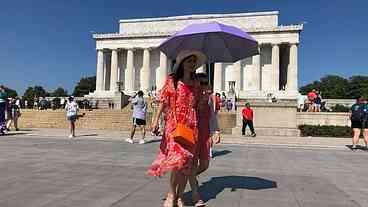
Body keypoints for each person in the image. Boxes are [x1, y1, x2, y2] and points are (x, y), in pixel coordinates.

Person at [148, 50, 206, 207]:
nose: (192, 64)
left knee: (185, 164)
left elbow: (199, 106)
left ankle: (179, 196)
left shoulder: (196, 84)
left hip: (190, 125)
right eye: (189, 61)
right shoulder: (172, 81)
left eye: (194, 61)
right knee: (177, 161)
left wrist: (205, 97)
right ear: (181, 63)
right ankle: (171, 195)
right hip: (174, 125)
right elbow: (162, 101)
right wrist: (155, 121)